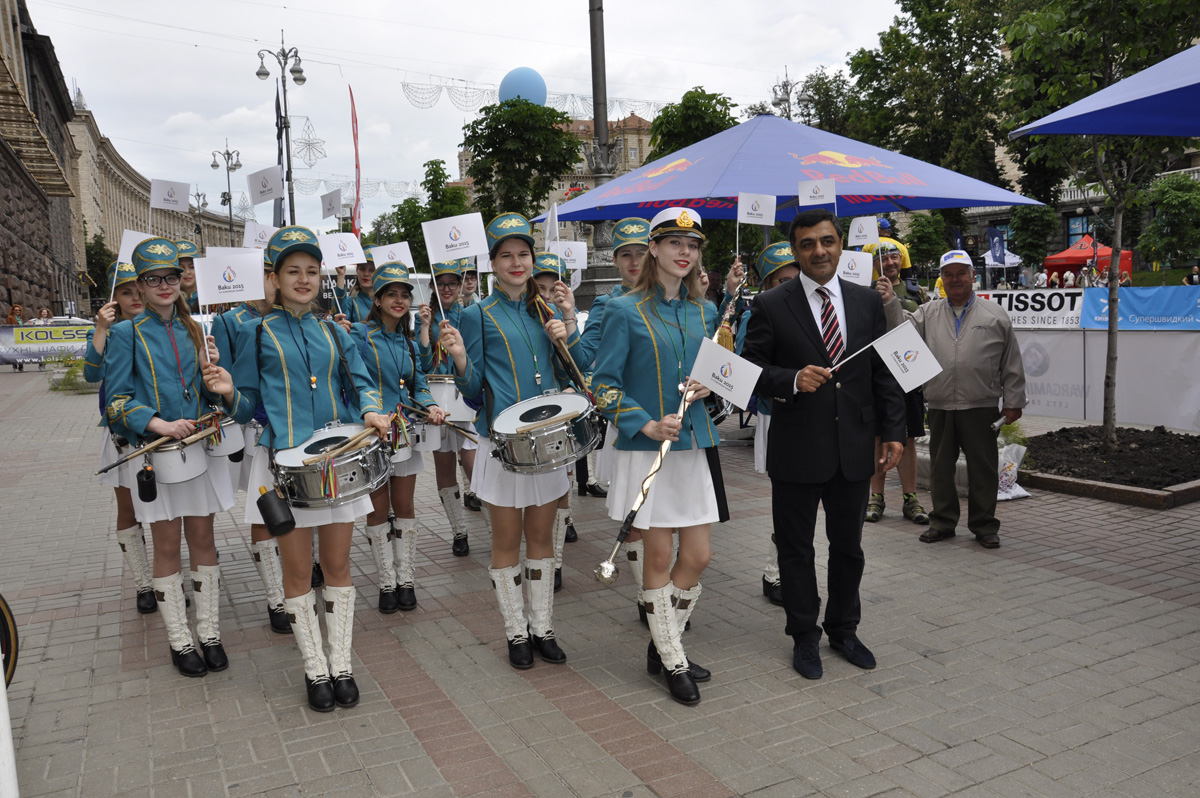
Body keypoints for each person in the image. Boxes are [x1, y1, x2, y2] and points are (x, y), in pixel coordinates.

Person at [211, 226, 389, 712]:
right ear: (274, 277)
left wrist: (373, 409)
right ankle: (314, 669)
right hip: (281, 467)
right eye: (293, 271)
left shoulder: (333, 329)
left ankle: (342, 664)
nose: (304, 279)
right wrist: (229, 392)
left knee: (336, 566)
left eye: (312, 270)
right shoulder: (254, 331)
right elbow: (247, 406)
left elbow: (362, 383)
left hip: (335, 463)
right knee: (296, 572)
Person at [741, 208, 906, 681]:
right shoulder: (772, 304)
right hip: (796, 448)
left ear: (840, 245)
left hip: (853, 446)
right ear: (795, 250)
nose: (819, 251)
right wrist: (791, 378)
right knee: (795, 549)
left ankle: (843, 628)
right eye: (808, 243)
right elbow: (751, 369)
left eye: (827, 241)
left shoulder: (865, 302)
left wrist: (894, 430)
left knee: (848, 547)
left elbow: (884, 371)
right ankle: (804, 635)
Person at [593, 207, 726, 706]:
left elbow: (717, 377)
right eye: (674, 244)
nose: (684, 253)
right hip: (647, 448)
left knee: (698, 556)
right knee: (656, 554)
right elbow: (601, 386)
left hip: (693, 446)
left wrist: (710, 384)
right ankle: (671, 656)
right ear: (654, 249)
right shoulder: (623, 309)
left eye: (692, 246)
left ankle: (661, 637)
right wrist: (644, 421)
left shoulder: (707, 311)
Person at [438, 212, 581, 671]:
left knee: (541, 537)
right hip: (502, 445)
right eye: (506, 255)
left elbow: (569, 376)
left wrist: (567, 328)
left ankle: (543, 627)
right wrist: (460, 359)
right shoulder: (475, 315)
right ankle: (515, 632)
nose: (516, 263)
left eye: (523, 254)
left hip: (547, 442)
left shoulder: (544, 310)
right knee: (506, 539)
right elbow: (476, 390)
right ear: (492, 263)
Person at [104, 238, 234, 679]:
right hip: (159, 454)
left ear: (181, 281)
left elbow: (201, 391)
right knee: (165, 545)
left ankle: (210, 633)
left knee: (203, 539)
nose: (164, 285)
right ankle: (180, 640)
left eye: (171, 277)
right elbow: (115, 402)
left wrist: (210, 371)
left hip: (197, 449)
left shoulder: (195, 329)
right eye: (154, 278)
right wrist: (157, 424)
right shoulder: (125, 334)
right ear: (139, 286)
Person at [881, 250, 1027, 550]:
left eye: (961, 273)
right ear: (942, 279)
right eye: (948, 274)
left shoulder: (994, 314)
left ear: (973, 276)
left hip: (981, 405)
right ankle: (943, 522)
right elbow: (901, 332)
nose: (955, 279)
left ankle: (984, 525)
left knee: (983, 468)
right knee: (941, 467)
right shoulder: (929, 312)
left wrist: (1014, 401)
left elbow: (1011, 361)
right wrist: (889, 302)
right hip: (940, 403)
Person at [353, 261, 445, 613]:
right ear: (376, 299)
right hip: (372, 434)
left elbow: (418, 384)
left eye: (404, 294)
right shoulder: (359, 337)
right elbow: (356, 381)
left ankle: (406, 578)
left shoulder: (408, 343)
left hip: (405, 434)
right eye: (390, 293)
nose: (399, 300)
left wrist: (432, 406)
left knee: (404, 506)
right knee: (377, 509)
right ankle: (386, 582)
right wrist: (373, 413)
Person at [209, 253, 292, 634]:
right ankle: (276, 597)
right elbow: (236, 385)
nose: (272, 279)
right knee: (265, 511)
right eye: (266, 272)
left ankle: (298, 580)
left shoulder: (300, 318)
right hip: (260, 430)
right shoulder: (235, 322)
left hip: (300, 433)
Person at [578, 218, 650, 620]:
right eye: (626, 255)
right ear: (616, 261)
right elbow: (586, 358)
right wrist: (572, 321)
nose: (635, 261)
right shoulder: (608, 304)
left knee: (669, 518)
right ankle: (647, 596)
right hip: (628, 422)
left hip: (674, 425)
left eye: (641, 252)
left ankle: (661, 595)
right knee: (636, 515)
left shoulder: (674, 299)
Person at [85, 261, 155, 614]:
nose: (135, 297)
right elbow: (90, 373)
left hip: (158, 434)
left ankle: (164, 580)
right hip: (120, 435)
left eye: (138, 289)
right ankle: (143, 583)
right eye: (126, 292)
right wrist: (100, 327)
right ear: (114, 298)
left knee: (162, 511)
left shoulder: (159, 327)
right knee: (128, 510)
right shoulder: (109, 332)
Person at [735, 241, 798, 607]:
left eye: (794, 278)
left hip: (816, 420)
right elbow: (748, 368)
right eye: (781, 280)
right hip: (777, 416)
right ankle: (775, 573)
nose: (788, 285)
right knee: (786, 498)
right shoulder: (757, 313)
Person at [861, 240, 930, 528]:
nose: (889, 262)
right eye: (882, 258)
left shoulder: (917, 292)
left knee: (909, 438)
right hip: (874, 374)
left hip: (907, 371)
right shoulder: (861, 293)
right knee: (877, 436)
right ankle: (875, 497)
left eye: (893, 256)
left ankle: (910, 497)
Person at [416, 259, 480, 556]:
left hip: (466, 395)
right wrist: (426, 327)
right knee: (444, 466)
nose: (447, 289)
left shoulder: (470, 315)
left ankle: (493, 526)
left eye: (452, 283)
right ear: (432, 286)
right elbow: (426, 363)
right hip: (438, 397)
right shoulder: (425, 316)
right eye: (441, 283)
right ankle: (459, 531)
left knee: (472, 463)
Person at [531, 253, 580, 591]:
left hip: (560, 412)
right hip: (529, 419)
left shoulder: (565, 318)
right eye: (541, 289)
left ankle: (558, 560)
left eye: (553, 289)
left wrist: (569, 318)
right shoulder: (526, 320)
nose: (547, 295)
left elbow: (580, 364)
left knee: (563, 484)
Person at [333, 249, 376, 323]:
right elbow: (340, 316)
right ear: (357, 271)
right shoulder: (351, 302)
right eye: (362, 269)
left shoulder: (387, 301)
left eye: (372, 270)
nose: (366, 274)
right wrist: (341, 275)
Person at [176, 240, 201, 313]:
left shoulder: (210, 300)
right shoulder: (167, 302)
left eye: (192, 267)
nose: (187, 272)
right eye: (181, 268)